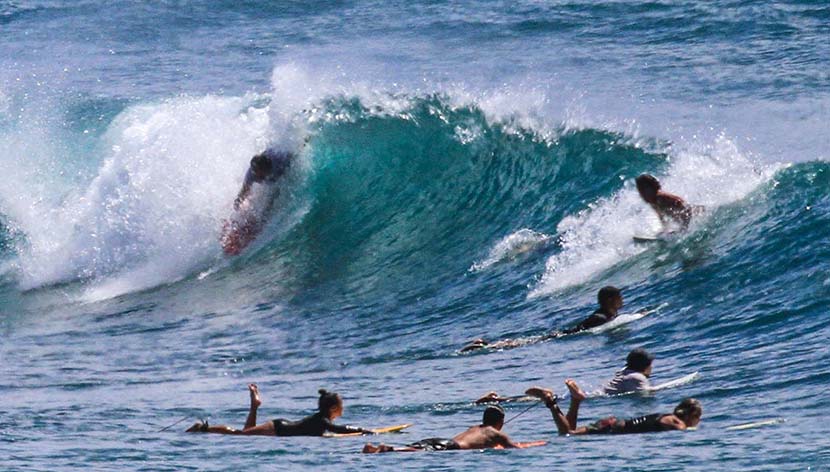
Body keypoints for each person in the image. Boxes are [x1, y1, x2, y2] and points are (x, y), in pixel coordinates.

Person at [460, 286, 625, 353]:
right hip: (562, 336)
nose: (622, 300)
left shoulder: (604, 315)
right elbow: (581, 330)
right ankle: (485, 345)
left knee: (524, 342)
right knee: (522, 343)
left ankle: (486, 344)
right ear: (610, 300)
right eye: (619, 297)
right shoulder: (600, 317)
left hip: (563, 334)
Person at [474, 346, 654, 404]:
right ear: (645, 366)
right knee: (552, 401)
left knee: (553, 400)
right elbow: (645, 393)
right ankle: (498, 399)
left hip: (590, 394)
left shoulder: (625, 372)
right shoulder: (637, 378)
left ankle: (499, 399)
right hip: (589, 397)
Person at [526, 380, 701, 435]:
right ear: (692, 414)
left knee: (570, 431)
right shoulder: (677, 423)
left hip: (614, 423)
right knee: (567, 434)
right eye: (698, 417)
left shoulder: (667, 416)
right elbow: (684, 430)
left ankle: (576, 400)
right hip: (613, 426)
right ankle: (550, 401)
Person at [186, 384, 368, 436]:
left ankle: (254, 405)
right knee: (241, 434)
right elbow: (336, 429)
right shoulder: (322, 420)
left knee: (246, 434)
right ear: (334, 408)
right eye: (341, 405)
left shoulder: (322, 419)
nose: (343, 408)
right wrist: (362, 430)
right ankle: (204, 428)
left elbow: (334, 430)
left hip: (280, 427)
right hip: (278, 428)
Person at [362, 405, 520, 453]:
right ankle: (388, 449)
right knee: (418, 451)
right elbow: (512, 448)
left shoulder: (474, 427)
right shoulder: (495, 433)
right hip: (451, 446)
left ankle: (382, 448)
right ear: (500, 421)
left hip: (443, 440)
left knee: (416, 447)